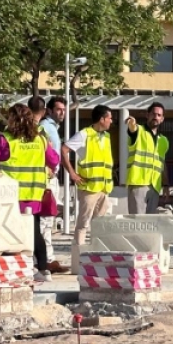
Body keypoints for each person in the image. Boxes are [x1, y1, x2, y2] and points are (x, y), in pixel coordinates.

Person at [0, 103, 59, 283]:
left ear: (12, 119)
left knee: (7, 232)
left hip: (10, 196)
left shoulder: (4, 139)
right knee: (35, 231)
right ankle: (43, 269)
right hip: (34, 194)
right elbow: (54, 160)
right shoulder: (40, 140)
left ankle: (14, 267)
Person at [65, 105, 114, 261]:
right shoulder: (84, 134)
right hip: (89, 188)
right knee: (83, 224)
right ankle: (79, 259)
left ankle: (96, 257)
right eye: (110, 118)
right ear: (102, 119)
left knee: (99, 225)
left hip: (104, 188)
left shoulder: (106, 136)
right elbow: (64, 150)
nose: (111, 121)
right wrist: (72, 173)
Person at [38, 95, 68, 273]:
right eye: (58, 109)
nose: (62, 113)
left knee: (48, 222)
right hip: (46, 180)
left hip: (52, 178)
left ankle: (47, 258)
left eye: (64, 110)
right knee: (45, 221)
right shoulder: (44, 127)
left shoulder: (53, 128)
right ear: (49, 110)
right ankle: (45, 260)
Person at [125, 102, 168, 214]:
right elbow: (132, 130)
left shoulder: (164, 140)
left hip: (155, 186)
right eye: (153, 114)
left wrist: (166, 184)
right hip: (138, 184)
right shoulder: (139, 131)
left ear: (162, 119)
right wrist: (132, 124)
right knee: (137, 221)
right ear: (147, 115)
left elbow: (162, 164)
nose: (156, 117)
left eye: (159, 115)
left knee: (150, 222)